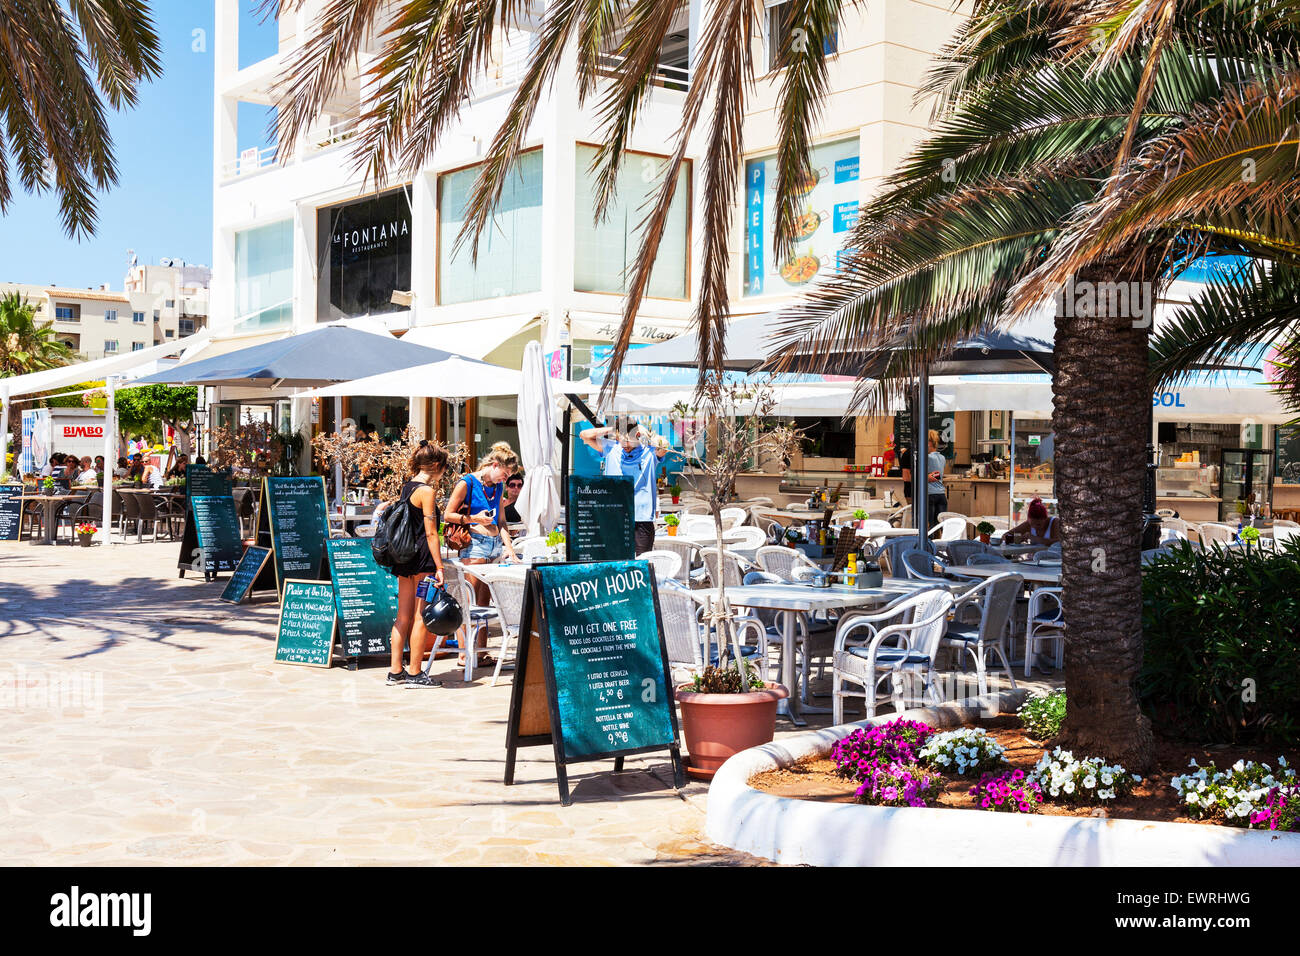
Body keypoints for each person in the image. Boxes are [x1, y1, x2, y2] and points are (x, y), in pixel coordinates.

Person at [443, 442, 521, 669]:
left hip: (494, 545)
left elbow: (503, 521)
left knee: (485, 602)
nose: (504, 480)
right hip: (475, 544)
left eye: (508, 477)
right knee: (469, 602)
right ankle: (465, 654)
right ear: (494, 464)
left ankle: (482, 652)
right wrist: (474, 519)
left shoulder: (497, 487)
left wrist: (509, 548)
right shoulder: (466, 483)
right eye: (504, 474)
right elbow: (448, 514)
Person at [384, 441, 449, 688]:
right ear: (435, 466)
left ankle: (395, 671)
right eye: (444, 468)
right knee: (421, 616)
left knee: (402, 616)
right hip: (422, 559)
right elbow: (431, 533)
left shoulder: (407, 487)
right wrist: (440, 567)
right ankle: (414, 672)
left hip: (404, 558)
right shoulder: (427, 492)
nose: (444, 474)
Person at [580, 422, 669, 554]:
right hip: (615, 516)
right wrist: (613, 429)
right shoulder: (611, 448)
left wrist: (647, 435)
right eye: (621, 440)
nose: (625, 445)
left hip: (642, 519)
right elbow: (584, 435)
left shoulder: (649, 451)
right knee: (616, 563)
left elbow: (664, 446)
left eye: (628, 440)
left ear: (637, 435)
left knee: (642, 563)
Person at [925, 428, 947, 528]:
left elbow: (927, 477)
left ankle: (929, 544)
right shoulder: (942, 458)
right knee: (941, 527)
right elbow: (938, 475)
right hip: (941, 495)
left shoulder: (927, 458)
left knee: (930, 527)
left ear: (929, 443)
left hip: (930, 495)